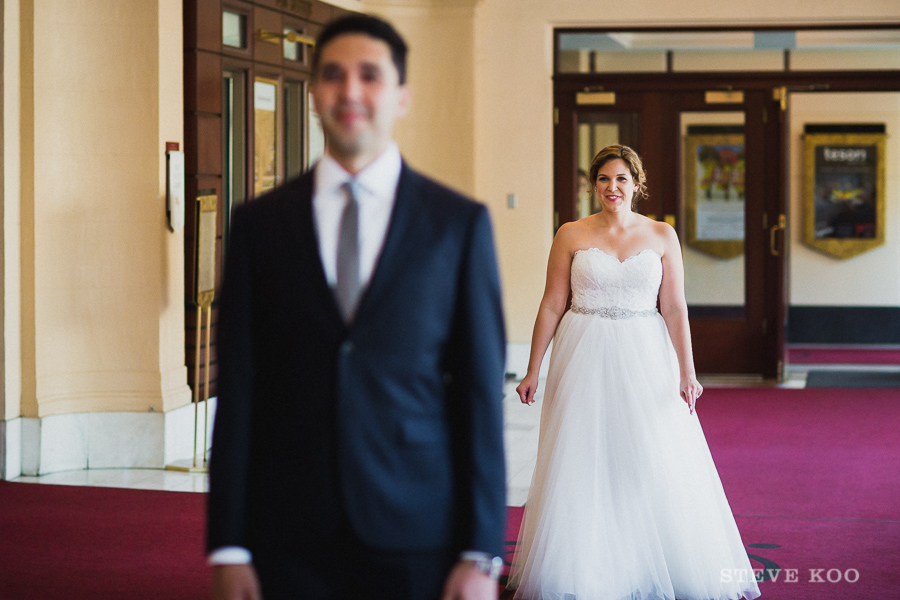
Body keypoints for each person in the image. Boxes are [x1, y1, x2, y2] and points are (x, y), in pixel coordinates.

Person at [206, 14, 507, 600]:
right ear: (314, 92)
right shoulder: (258, 227)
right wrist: (229, 544)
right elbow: (240, 388)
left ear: (400, 97)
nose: (350, 91)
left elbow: (477, 391)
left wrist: (481, 551)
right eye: (334, 76)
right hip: (286, 533)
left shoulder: (456, 225)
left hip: (417, 530)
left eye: (370, 76)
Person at [507, 145, 761, 600]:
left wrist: (688, 371)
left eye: (621, 178)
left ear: (637, 184)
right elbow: (551, 303)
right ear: (593, 185)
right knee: (581, 454)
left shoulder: (662, 235)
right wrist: (532, 369)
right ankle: (584, 566)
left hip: (645, 352)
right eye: (604, 179)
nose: (612, 188)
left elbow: (675, 307)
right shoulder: (570, 234)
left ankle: (656, 555)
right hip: (582, 349)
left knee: (647, 452)